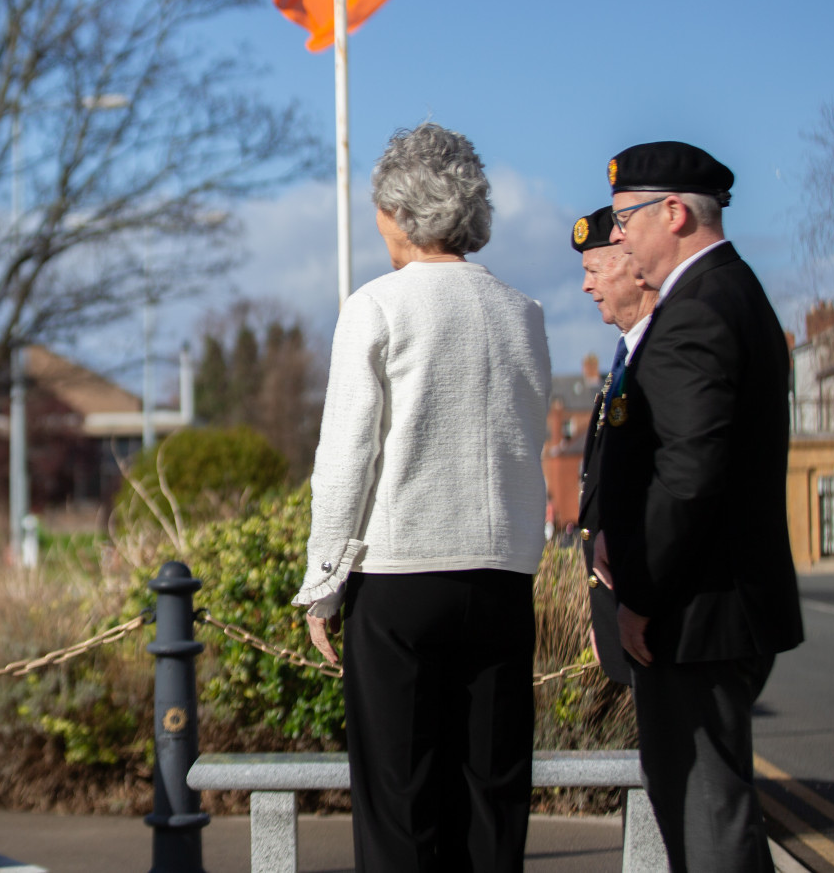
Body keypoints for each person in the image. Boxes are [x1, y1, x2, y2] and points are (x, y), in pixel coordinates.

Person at [295, 123, 552, 872]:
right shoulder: (525, 314)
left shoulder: (376, 307)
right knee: (492, 804)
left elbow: (346, 457)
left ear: (402, 213)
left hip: (401, 575)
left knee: (400, 806)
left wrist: (323, 584)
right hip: (502, 577)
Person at [591, 141, 803, 872]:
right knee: (711, 820)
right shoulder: (729, 293)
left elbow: (688, 476)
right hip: (713, 609)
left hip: (693, 616)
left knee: (709, 826)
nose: (619, 237)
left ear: (675, 213)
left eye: (626, 219)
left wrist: (640, 597)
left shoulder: (697, 311)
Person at [569, 206, 657, 683]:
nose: (586, 286)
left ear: (631, 263)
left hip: (656, 612)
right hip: (625, 612)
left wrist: (636, 601)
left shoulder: (661, 350)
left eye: (594, 270)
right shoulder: (626, 357)